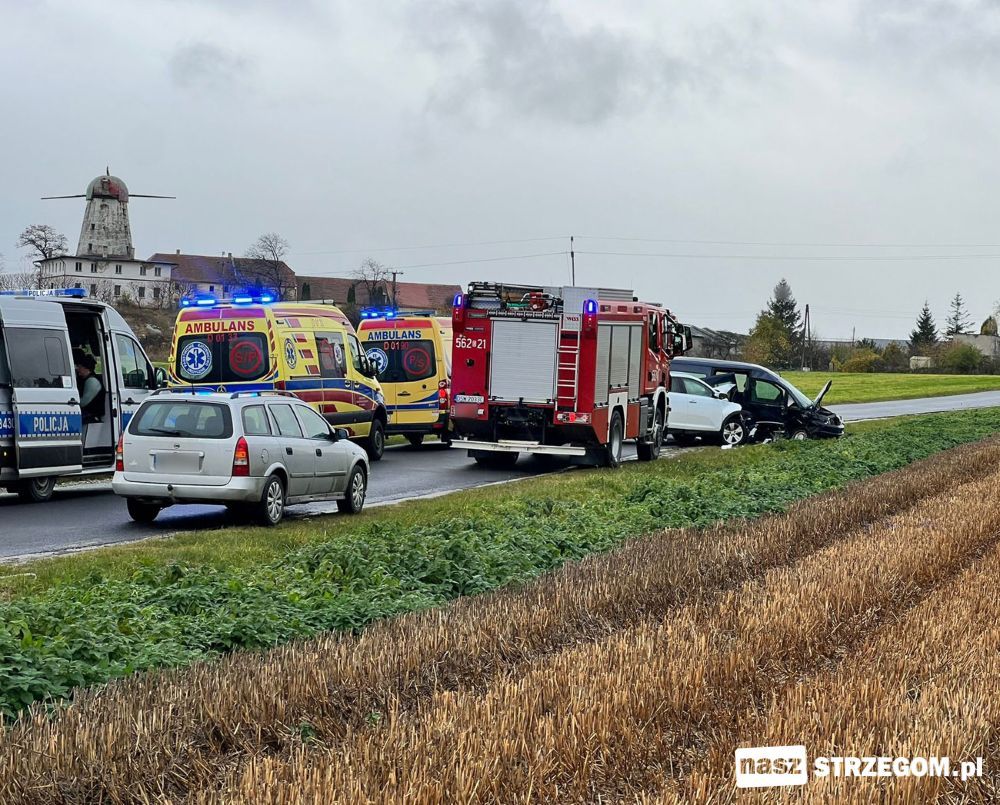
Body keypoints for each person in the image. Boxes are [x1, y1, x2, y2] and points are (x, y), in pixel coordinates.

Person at [73, 348, 104, 421]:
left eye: (79, 366)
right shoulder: (84, 379)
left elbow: (83, 403)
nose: (77, 369)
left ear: (86, 368)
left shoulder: (92, 381)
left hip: (91, 416)